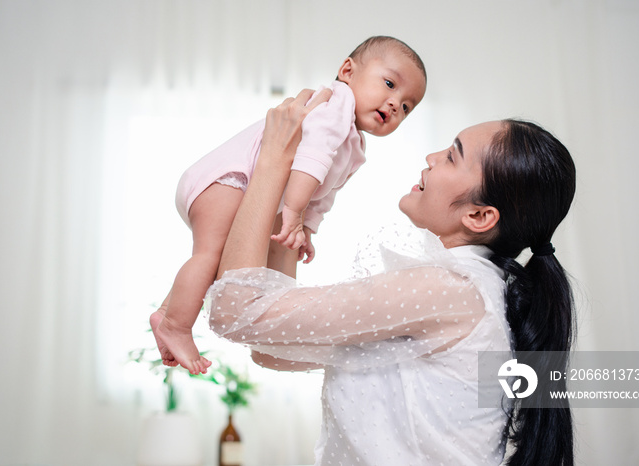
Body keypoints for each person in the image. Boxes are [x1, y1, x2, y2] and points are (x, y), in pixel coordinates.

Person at [207, 90, 576, 465]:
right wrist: (296, 212)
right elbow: (273, 350)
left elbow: (233, 311)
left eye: (452, 156)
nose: (432, 159)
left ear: (480, 217)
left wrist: (274, 158)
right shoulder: (469, 290)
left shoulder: (451, 291)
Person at [150, 36, 428, 374]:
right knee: (211, 254)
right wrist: (293, 215)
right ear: (347, 71)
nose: (395, 103)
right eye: (389, 83)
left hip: (234, 184)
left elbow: (323, 194)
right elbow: (311, 161)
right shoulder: (334, 108)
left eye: (407, 106)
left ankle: (168, 312)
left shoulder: (355, 147)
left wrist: (307, 226)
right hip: (226, 178)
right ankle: (176, 325)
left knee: (218, 257)